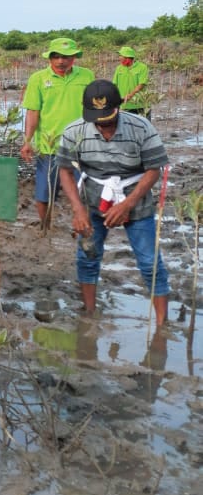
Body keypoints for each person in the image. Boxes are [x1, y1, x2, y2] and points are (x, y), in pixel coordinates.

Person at [57, 80, 170, 324]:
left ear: (120, 106)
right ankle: (89, 313)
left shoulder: (141, 127)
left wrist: (127, 204)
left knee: (150, 262)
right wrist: (78, 210)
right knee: (87, 257)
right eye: (97, 118)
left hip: (135, 197)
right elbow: (65, 171)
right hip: (92, 198)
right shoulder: (74, 132)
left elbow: (153, 169)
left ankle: (162, 324)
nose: (104, 125)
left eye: (108, 117)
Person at [21, 37, 94, 229]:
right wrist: (27, 141)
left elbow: (94, 108)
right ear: (50, 58)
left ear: (74, 58)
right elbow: (33, 112)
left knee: (84, 191)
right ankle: (46, 227)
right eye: (57, 57)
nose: (61, 61)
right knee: (44, 193)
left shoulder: (87, 76)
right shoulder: (38, 79)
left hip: (81, 145)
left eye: (66, 57)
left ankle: (81, 226)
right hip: (49, 145)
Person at [113, 45, 150, 119]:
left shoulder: (142, 67)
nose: (119, 58)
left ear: (127, 58)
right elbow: (114, 84)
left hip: (140, 105)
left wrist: (130, 95)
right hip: (124, 105)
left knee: (143, 127)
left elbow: (141, 84)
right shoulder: (119, 68)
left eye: (121, 56)